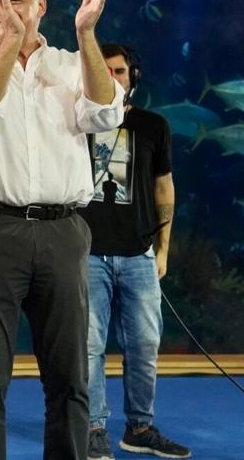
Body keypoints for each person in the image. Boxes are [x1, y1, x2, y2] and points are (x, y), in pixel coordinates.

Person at [0, 0, 125, 459]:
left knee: (70, 379)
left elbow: (107, 112)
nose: (3, 11)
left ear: (42, 6)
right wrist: (6, 47)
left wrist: (87, 35)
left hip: (62, 232)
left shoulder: (71, 63)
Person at [82, 44, 190, 460]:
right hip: (87, 254)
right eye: (103, 70)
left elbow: (164, 186)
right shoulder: (76, 121)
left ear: (134, 77)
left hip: (138, 253)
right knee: (89, 346)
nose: (112, 77)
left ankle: (140, 427)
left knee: (145, 343)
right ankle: (93, 428)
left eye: (120, 70)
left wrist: (162, 249)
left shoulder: (153, 125)